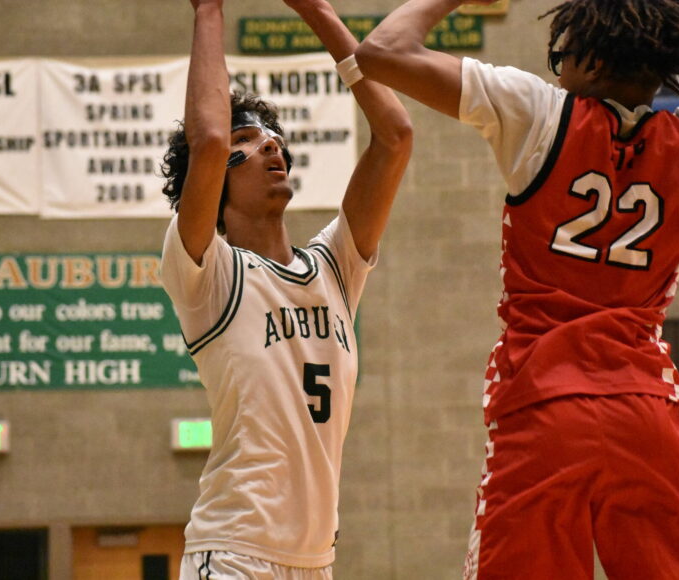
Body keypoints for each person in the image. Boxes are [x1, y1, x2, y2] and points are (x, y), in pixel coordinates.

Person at [355, 0, 679, 578]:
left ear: (591, 63)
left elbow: (381, 52)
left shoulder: (541, 112)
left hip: (543, 401)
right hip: (648, 409)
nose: (555, 70)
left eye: (560, 55)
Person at [159, 0, 412, 577]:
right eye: (251, 140)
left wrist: (316, 9)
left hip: (316, 561)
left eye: (275, 138)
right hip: (233, 555)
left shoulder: (334, 269)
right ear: (217, 178)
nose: (272, 145)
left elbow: (395, 134)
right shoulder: (210, 274)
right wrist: (208, 10)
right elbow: (208, 141)